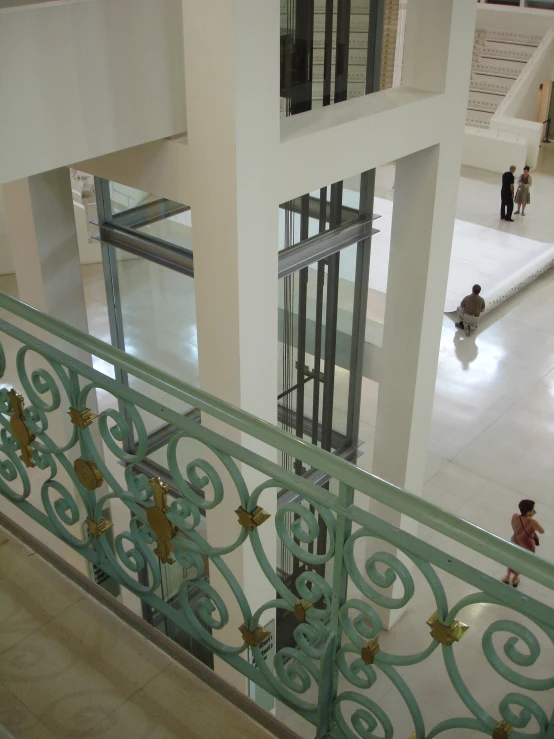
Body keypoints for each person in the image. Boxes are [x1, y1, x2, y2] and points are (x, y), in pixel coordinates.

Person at [503, 499, 544, 588]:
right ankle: (516, 578)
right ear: (529, 512)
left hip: (515, 540)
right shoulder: (533, 522)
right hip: (527, 545)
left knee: (512, 558)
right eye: (532, 510)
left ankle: (507, 577)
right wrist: (530, 520)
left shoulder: (515, 516)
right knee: (521, 562)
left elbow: (514, 526)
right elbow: (542, 531)